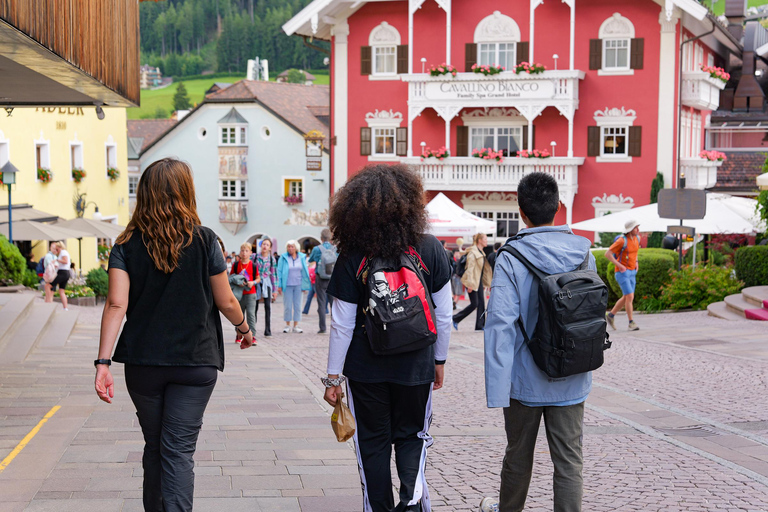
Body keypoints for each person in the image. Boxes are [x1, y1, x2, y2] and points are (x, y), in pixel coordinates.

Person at [93, 158, 254, 512]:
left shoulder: (126, 244)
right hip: (195, 362)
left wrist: (103, 363)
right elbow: (226, 300)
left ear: (145, 195)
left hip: (143, 363)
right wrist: (244, 329)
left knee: (155, 446)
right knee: (178, 450)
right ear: (186, 192)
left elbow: (116, 305)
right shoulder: (206, 240)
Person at [323, 163, 452, 512]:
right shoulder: (429, 247)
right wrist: (439, 360)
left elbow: (342, 323)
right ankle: (411, 504)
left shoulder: (353, 252)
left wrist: (333, 377)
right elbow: (443, 314)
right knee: (413, 437)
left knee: (373, 443)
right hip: (417, 364)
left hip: (366, 368)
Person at [480, 172, 595, 512]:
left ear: (521, 212)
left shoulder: (512, 256)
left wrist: (497, 390)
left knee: (518, 457)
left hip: (523, 380)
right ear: (559, 207)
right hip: (571, 374)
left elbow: (499, 324)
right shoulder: (584, 251)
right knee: (570, 462)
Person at [605, 220, 641, 332]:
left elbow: (634, 253)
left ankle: (610, 315)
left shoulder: (636, 239)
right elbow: (608, 254)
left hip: (632, 272)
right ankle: (631, 323)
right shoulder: (621, 241)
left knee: (627, 297)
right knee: (630, 296)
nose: (638, 230)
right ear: (630, 230)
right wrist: (619, 265)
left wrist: (636, 262)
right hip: (622, 273)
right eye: (636, 227)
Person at [452, 233, 492, 331]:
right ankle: (455, 318)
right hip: (472, 281)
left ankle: (480, 325)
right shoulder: (473, 252)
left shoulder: (481, 252)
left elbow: (481, 270)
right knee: (474, 304)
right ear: (479, 241)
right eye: (485, 239)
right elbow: (470, 269)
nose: (487, 241)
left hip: (478, 281)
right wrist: (470, 284)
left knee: (481, 303)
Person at [277, 239, 310, 333]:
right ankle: (287, 325)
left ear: (296, 248)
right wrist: (279, 285)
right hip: (287, 285)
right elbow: (279, 271)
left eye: (292, 246)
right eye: (289, 247)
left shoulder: (302, 257)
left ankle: (296, 325)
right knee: (287, 306)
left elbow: (305, 271)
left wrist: (305, 285)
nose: (290, 248)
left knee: (298, 305)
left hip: (299, 285)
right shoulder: (283, 257)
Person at [308, 228, 336, 334]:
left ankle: (322, 328)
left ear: (321, 238)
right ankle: (335, 327)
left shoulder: (317, 249)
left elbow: (310, 260)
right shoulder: (335, 249)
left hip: (320, 278)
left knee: (321, 302)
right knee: (333, 304)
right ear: (330, 238)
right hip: (332, 278)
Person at [231, 242, 259, 340]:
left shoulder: (253, 265)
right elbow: (231, 277)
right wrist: (237, 282)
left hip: (251, 293)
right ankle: (239, 333)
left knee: (251, 315)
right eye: (242, 250)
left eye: (246, 251)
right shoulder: (236, 265)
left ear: (250, 252)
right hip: (238, 294)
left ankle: (252, 335)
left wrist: (253, 282)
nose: (244, 253)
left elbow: (258, 278)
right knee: (239, 315)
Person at [253, 238, 277, 338]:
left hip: (267, 283)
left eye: (267, 245)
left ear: (270, 248)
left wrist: (274, 290)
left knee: (267, 307)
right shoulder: (254, 257)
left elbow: (274, 274)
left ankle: (267, 330)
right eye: (263, 244)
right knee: (254, 307)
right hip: (256, 283)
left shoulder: (272, 259)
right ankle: (252, 329)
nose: (264, 246)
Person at [51, 242, 71, 310]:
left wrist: (57, 260)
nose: (56, 251)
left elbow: (65, 261)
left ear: (59, 247)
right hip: (65, 272)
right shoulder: (64, 252)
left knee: (49, 285)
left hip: (63, 272)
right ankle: (65, 307)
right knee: (61, 290)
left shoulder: (63, 252)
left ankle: (48, 303)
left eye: (57, 249)